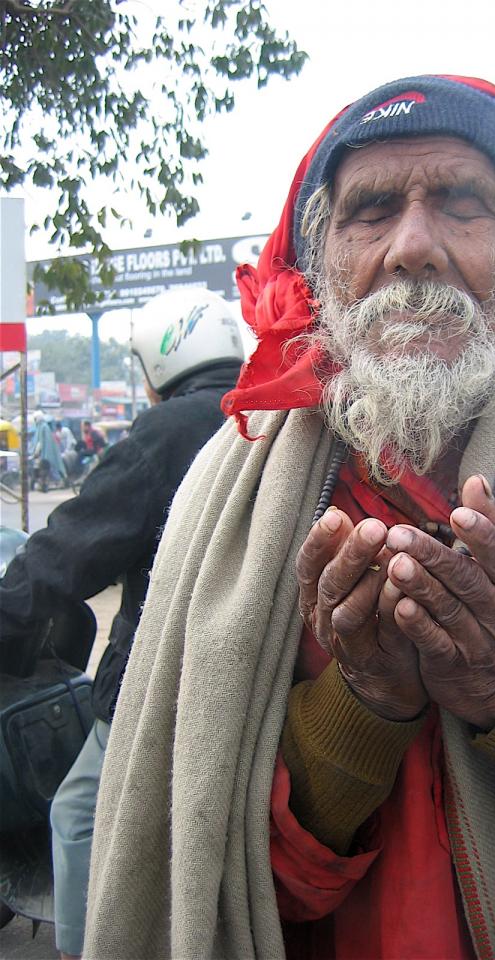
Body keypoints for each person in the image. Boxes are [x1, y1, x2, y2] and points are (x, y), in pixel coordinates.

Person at [84, 76, 495, 960]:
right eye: (371, 210)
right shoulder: (233, 491)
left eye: (461, 203)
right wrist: (363, 707)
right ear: (325, 269)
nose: (411, 246)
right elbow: (208, 879)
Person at [0, 288, 245, 960]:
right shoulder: (266, 412)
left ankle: (90, 948)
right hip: (254, 675)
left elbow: (70, 549)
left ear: (161, 361)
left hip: (160, 678)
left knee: (79, 815)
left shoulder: (167, 432)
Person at [32, 410, 67, 490]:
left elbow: (40, 442)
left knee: (51, 467)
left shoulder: (43, 427)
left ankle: (58, 481)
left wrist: (36, 452)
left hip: (47, 453)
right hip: (43, 453)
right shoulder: (41, 427)